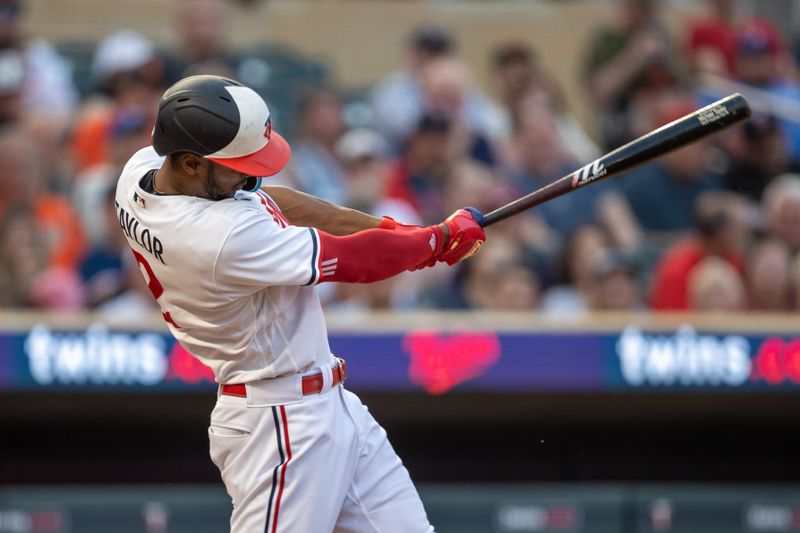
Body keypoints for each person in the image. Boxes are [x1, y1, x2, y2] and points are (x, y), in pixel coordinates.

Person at [114, 75, 486, 532]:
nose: (252, 176)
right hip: (281, 423)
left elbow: (271, 201)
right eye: (239, 165)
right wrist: (434, 242)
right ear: (191, 163)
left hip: (328, 403)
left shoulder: (144, 169)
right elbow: (351, 260)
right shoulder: (217, 239)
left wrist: (395, 231)